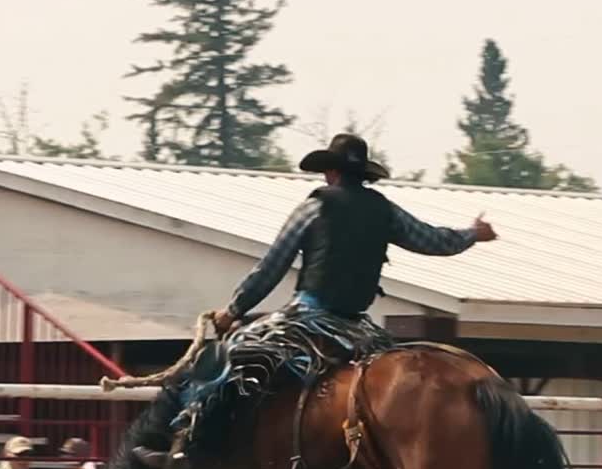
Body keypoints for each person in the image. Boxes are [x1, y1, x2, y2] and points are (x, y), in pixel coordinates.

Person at [174, 133, 497, 446]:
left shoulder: (315, 207)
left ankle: (186, 437)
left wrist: (233, 311)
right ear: (362, 175)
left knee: (231, 352)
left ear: (330, 171)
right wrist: (472, 233)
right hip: (357, 325)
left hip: (308, 315)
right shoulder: (384, 210)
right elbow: (433, 240)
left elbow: (272, 267)